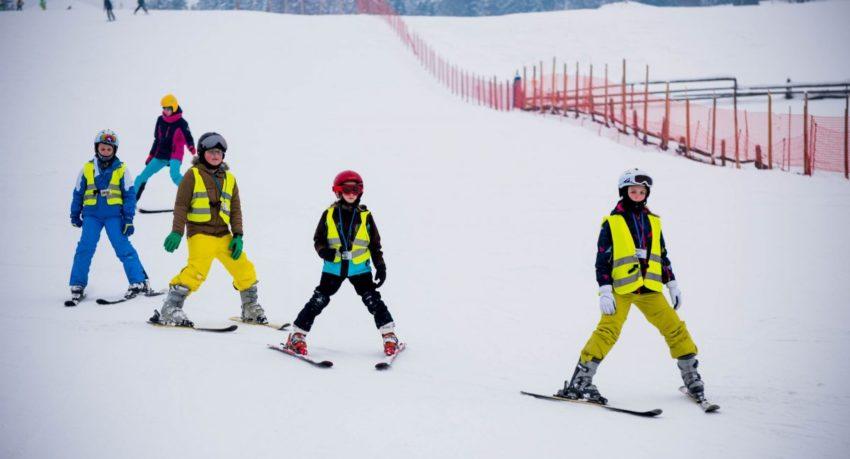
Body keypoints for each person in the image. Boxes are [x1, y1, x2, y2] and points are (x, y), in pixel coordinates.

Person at [557, 168, 707, 403]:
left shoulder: (654, 222)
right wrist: (605, 289)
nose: (637, 194)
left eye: (642, 191)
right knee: (608, 331)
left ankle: (691, 377)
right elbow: (602, 258)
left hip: (649, 289)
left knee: (675, 328)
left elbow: (662, 254)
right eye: (633, 191)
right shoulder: (612, 222)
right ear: (624, 192)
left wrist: (672, 283)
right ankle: (580, 382)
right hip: (622, 289)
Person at [150, 132, 266, 327]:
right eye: (211, 152)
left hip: (223, 235)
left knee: (244, 268)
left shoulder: (230, 178)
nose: (215, 156)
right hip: (200, 233)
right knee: (197, 271)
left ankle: (250, 308)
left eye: (219, 153)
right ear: (203, 153)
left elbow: (236, 209)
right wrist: (177, 231)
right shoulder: (192, 175)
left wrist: (238, 235)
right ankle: (170, 307)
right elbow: (181, 206)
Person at [285, 170, 399, 356]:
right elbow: (318, 239)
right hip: (334, 268)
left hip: (359, 269)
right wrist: (324, 252)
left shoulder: (365, 216)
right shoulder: (329, 214)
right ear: (338, 191)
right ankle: (297, 335)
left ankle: (389, 336)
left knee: (373, 300)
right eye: (347, 189)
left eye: (355, 189)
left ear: (360, 192)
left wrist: (380, 265)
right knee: (319, 300)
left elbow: (374, 244)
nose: (351, 193)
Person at [68, 130, 151, 305]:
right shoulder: (87, 168)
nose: (105, 151)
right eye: (103, 148)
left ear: (114, 151)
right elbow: (77, 192)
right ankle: (77, 284)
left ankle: (137, 281)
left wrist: (128, 219)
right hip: (92, 216)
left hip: (114, 216)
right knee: (85, 249)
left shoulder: (121, 169)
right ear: (97, 148)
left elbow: (129, 195)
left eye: (109, 149)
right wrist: (75, 213)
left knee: (123, 248)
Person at [134, 94, 196, 202]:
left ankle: (194, 196)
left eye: (168, 108)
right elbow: (157, 139)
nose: (165, 111)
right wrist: (151, 155)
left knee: (175, 175)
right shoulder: (160, 120)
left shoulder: (182, 123)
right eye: (164, 108)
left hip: (174, 154)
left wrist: (191, 147)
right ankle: (131, 201)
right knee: (141, 177)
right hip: (161, 154)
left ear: (174, 107)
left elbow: (188, 137)